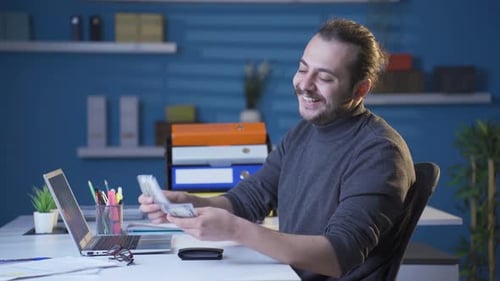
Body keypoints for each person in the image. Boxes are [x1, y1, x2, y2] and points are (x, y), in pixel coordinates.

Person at [139, 18, 415, 281]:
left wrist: (235, 229)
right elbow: (249, 199)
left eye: (325, 78)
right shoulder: (303, 133)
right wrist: (190, 203)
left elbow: (339, 255)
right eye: (303, 68)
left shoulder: (379, 152)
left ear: (360, 90)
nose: (305, 85)